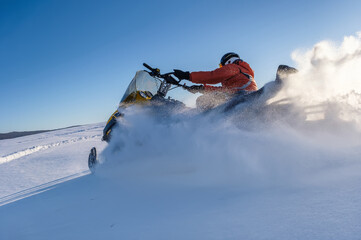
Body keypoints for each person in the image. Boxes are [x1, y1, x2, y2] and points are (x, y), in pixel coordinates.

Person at [173, 52, 258, 109]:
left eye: (222, 65)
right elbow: (225, 91)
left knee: (203, 100)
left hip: (242, 96)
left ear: (228, 61)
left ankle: (207, 122)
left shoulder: (233, 67)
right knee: (213, 98)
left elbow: (213, 76)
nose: (222, 67)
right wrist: (202, 88)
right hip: (242, 96)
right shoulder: (243, 73)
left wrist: (188, 76)